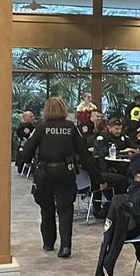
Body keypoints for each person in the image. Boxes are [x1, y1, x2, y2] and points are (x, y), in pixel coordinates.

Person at [18, 96, 105, 258]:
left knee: (46, 208)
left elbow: (27, 150)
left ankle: (48, 243)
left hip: (44, 173)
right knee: (65, 209)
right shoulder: (70, 127)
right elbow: (84, 155)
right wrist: (97, 178)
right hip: (66, 171)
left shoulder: (41, 127)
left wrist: (25, 162)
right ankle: (65, 247)